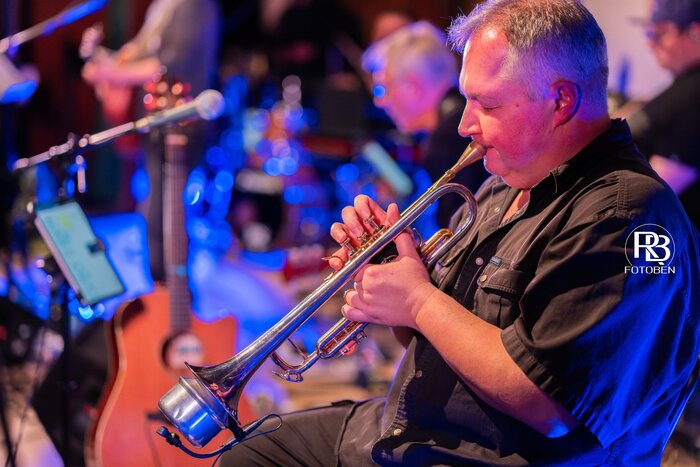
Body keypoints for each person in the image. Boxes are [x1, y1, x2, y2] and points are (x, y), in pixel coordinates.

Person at [218, 1, 700, 464]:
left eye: (486, 103)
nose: (465, 124)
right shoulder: (502, 185)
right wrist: (392, 278)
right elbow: (441, 342)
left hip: (473, 455)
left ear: (561, 101)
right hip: (416, 430)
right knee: (249, 450)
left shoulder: (627, 217)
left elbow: (548, 404)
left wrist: (419, 301)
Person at [82, 0, 221, 280]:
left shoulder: (193, 6)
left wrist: (112, 73)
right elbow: (140, 53)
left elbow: (168, 65)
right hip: (159, 121)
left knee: (164, 211)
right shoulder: (164, 6)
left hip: (182, 124)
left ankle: (169, 285)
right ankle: (159, 284)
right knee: (154, 207)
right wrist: (102, 58)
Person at [362, 20, 489, 227]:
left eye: (382, 89)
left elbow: (458, 235)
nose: (379, 102)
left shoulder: (447, 139)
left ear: (412, 86)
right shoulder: (462, 118)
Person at [627, 0, 700, 230]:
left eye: (659, 33)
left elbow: (652, 197)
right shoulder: (685, 88)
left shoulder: (693, 97)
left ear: (695, 33)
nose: (650, 43)